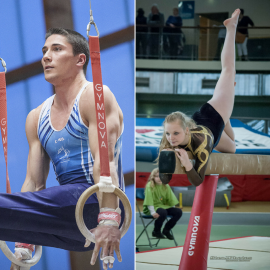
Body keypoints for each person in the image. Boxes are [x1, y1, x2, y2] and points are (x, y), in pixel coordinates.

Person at [0, 28, 125, 270]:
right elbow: (33, 185)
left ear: (80, 60)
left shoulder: (95, 96)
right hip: (68, 226)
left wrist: (110, 218)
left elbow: (105, 161)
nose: (46, 56)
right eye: (45, 51)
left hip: (93, 202)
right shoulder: (36, 118)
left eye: (57, 49)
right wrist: (23, 247)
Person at [159, 9, 240, 186]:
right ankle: (227, 118)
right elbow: (165, 179)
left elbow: (197, 181)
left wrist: (188, 164)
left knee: (228, 71)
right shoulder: (169, 141)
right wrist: (164, 167)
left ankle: (231, 27)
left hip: (213, 114)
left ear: (186, 130)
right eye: (168, 133)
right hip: (215, 130)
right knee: (232, 148)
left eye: (175, 133)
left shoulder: (203, 143)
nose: (171, 138)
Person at [143, 168, 182, 239]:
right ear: (153, 177)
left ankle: (166, 230)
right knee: (162, 212)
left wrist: (172, 209)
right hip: (153, 208)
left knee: (178, 212)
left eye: (161, 176)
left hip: (164, 207)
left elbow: (171, 199)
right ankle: (156, 231)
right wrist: (152, 212)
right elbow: (149, 200)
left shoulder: (166, 185)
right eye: (157, 176)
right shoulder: (150, 185)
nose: (159, 178)